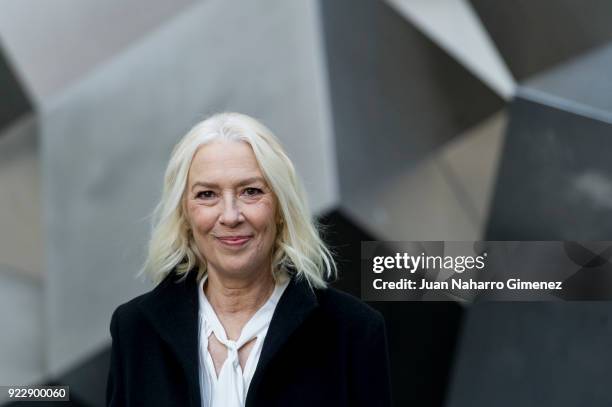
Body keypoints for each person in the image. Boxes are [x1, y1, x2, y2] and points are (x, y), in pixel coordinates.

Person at [106, 112, 392, 406]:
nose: (230, 216)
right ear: (185, 213)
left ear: (281, 208)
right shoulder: (135, 330)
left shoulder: (353, 331)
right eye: (207, 194)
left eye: (251, 191)